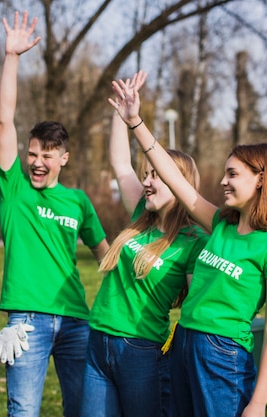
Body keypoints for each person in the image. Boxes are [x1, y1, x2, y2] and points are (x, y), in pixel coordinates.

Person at [109, 70, 267, 417]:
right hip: (183, 340)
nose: (223, 181)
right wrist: (136, 122)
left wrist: (258, 403)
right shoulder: (220, 224)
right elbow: (173, 177)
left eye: (233, 174)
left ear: (261, 179)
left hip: (223, 353)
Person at [0, 11, 109, 417]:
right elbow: (4, 120)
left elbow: (106, 257)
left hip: (77, 320)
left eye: (47, 155)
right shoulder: (14, 189)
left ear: (63, 157)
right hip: (27, 320)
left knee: (84, 409)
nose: (37, 162)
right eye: (32, 153)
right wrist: (12, 57)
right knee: (24, 410)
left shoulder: (78, 201)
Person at [80, 110, 209, 417]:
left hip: (141, 350)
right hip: (98, 339)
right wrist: (120, 113)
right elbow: (121, 165)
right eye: (147, 174)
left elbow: (195, 308)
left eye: (155, 175)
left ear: (178, 184)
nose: (147, 181)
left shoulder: (194, 241)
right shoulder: (142, 215)